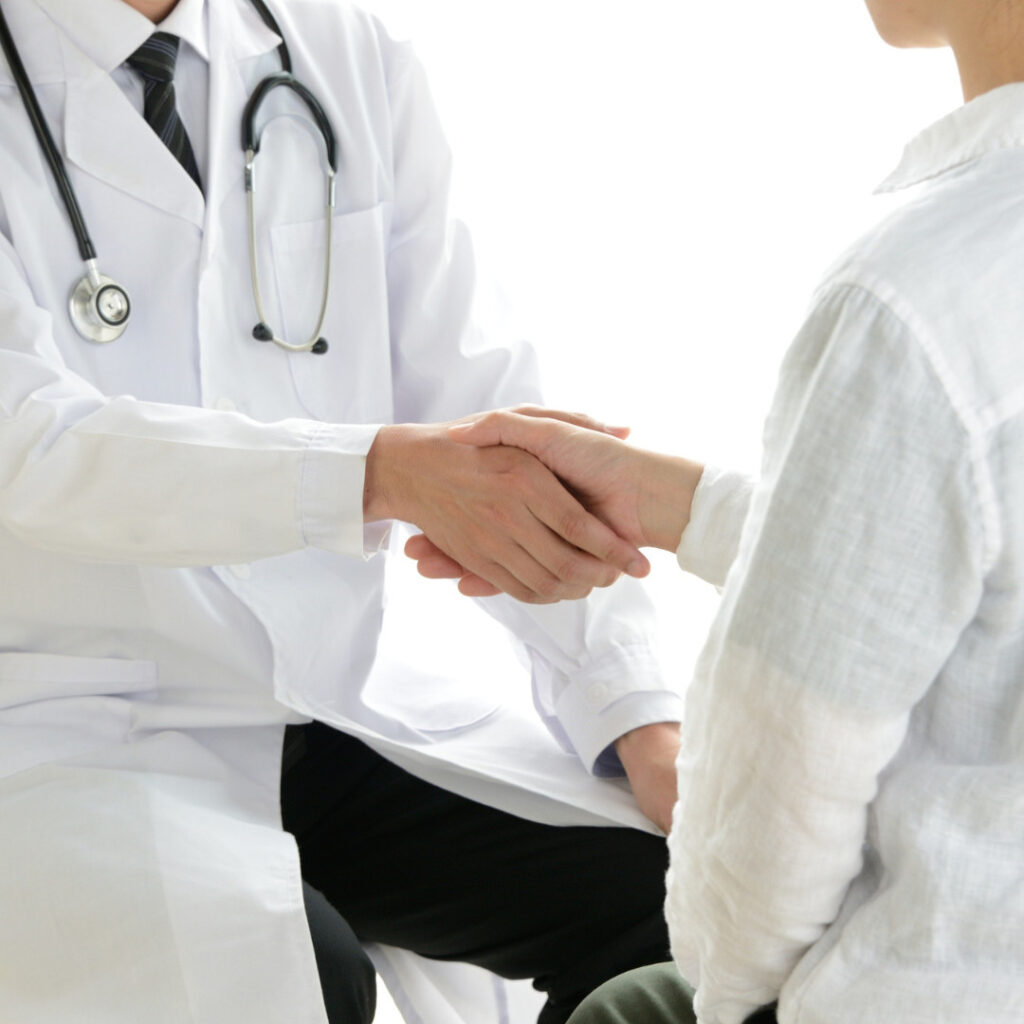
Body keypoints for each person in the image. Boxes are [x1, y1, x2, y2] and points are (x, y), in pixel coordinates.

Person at [0, 1, 685, 1022]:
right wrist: (374, 474)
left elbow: (485, 402)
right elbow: (29, 443)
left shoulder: (345, 49)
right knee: (299, 975)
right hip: (62, 725)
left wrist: (640, 716)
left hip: (321, 702)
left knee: (696, 907)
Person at [408, 0, 1024, 1021]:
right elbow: (967, 582)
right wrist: (687, 506)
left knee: (634, 1003)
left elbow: (772, 821)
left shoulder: (921, 296)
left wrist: (727, 990)